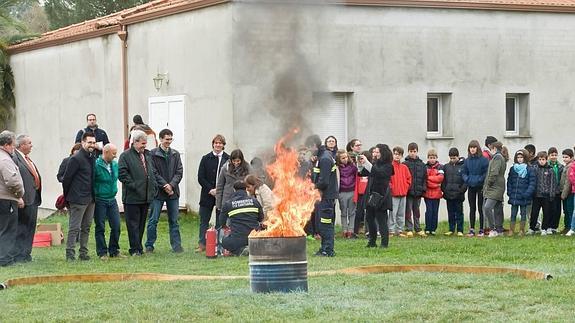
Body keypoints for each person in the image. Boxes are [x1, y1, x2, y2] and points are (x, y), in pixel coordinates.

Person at [145, 129, 184, 253]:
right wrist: (164, 185)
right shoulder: (152, 154)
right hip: (158, 193)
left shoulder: (175, 154)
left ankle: (176, 246)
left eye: (170, 139)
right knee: (153, 220)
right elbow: (153, 172)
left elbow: (179, 171)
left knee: (174, 221)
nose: (169, 142)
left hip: (173, 192)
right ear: (161, 139)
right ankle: (149, 245)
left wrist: (171, 185)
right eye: (167, 139)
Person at [118, 130, 156, 256]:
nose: (144, 146)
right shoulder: (125, 156)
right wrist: (135, 186)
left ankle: (139, 247)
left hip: (145, 197)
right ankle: (134, 249)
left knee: (141, 224)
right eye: (142, 143)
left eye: (145, 143)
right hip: (132, 197)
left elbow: (152, 171)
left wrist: (152, 187)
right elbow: (122, 175)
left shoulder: (147, 155)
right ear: (134, 142)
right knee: (133, 225)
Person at [62, 132, 97, 261]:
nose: (92, 145)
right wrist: (68, 197)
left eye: (93, 142)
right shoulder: (75, 159)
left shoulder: (92, 157)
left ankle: (83, 253)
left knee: (86, 227)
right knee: (74, 227)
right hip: (77, 199)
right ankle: (70, 253)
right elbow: (67, 179)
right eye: (89, 142)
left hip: (90, 198)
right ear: (83, 143)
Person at [196, 134, 229, 252]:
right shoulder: (205, 158)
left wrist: (219, 191)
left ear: (223, 145)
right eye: (216, 143)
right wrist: (210, 189)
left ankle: (219, 244)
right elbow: (201, 177)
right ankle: (202, 244)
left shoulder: (228, 159)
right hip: (207, 194)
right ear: (213, 144)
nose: (218, 145)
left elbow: (229, 179)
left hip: (222, 196)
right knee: (204, 220)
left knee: (220, 220)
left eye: (220, 143)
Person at [12, 135, 42, 263]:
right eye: (29, 143)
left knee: (30, 227)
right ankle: (19, 255)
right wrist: (18, 197)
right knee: (22, 227)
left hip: (33, 198)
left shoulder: (27, 159)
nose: (31, 145)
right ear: (21, 145)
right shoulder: (15, 158)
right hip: (24, 199)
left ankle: (26, 253)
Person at [359, 144, 393, 248]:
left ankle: (384, 243)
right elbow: (362, 173)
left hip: (381, 196)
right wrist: (360, 164)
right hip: (371, 195)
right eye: (375, 152)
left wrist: (367, 163)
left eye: (378, 152)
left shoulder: (388, 166)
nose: (375, 154)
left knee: (381, 220)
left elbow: (377, 173)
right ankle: (372, 241)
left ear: (383, 153)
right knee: (369, 218)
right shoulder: (375, 163)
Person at [93, 144, 124, 260]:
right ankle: (102, 252)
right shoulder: (96, 165)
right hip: (100, 199)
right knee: (100, 226)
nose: (115, 156)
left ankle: (114, 250)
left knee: (116, 226)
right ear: (105, 152)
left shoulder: (115, 165)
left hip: (112, 199)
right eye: (113, 153)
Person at [0, 131, 24, 267]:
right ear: (7, 145)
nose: (14, 148)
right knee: (8, 229)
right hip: (6, 199)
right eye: (13, 146)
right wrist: (19, 194)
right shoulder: (4, 159)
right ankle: (5, 259)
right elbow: (12, 181)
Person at [221, 181, 264, 256]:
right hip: (254, 238)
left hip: (237, 240)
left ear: (234, 190)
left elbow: (221, 222)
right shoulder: (254, 201)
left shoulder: (228, 204)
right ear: (246, 189)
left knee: (223, 240)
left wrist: (226, 227)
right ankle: (249, 248)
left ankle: (240, 250)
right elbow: (261, 218)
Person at [313, 136, 339, 257]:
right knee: (322, 224)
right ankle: (324, 247)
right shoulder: (324, 156)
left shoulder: (325, 159)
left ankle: (328, 250)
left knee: (325, 223)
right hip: (324, 196)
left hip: (327, 197)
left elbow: (324, 181)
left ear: (314, 146)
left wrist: (312, 187)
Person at [461, 140, 489, 237]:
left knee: (481, 208)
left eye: (474, 147)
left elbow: (486, 173)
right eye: (471, 147)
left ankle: (481, 229)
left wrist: (479, 180)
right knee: (472, 208)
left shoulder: (484, 160)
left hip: (480, 186)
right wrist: (467, 179)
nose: (472, 149)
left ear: (477, 148)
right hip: (471, 187)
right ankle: (472, 229)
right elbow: (463, 172)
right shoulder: (467, 160)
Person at [506, 149, 536, 236]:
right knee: (513, 213)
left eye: (521, 157)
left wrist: (527, 193)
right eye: (518, 157)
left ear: (525, 158)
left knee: (523, 213)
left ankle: (522, 230)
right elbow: (509, 182)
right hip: (514, 196)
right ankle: (511, 230)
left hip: (524, 196)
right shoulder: (513, 169)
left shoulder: (529, 169)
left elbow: (532, 183)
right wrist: (510, 192)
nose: (519, 159)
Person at [529, 151, 560, 236]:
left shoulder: (550, 169)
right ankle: (532, 228)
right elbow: (532, 181)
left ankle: (544, 228)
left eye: (543, 159)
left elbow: (553, 183)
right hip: (536, 195)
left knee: (546, 213)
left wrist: (551, 195)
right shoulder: (535, 169)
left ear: (546, 160)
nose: (541, 161)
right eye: (540, 159)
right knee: (534, 212)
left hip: (546, 196)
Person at [483, 141, 507, 237]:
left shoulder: (497, 157)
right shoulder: (500, 157)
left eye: (491, 149)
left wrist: (488, 184)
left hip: (495, 187)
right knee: (498, 208)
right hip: (498, 186)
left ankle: (493, 229)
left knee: (487, 207)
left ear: (494, 149)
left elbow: (494, 172)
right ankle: (499, 229)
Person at [403, 142, 427, 237]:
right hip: (409, 192)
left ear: (417, 152)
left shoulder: (422, 164)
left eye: (414, 151)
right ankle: (409, 228)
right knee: (408, 211)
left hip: (418, 191)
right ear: (408, 152)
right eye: (411, 151)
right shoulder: (405, 164)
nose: (413, 153)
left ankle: (417, 228)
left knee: (416, 211)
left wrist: (423, 188)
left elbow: (425, 178)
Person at [441, 148, 466, 237]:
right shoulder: (446, 167)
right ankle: (451, 229)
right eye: (451, 158)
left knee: (459, 212)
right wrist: (444, 190)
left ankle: (460, 230)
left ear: (458, 157)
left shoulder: (463, 167)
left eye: (454, 158)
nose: (452, 160)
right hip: (448, 194)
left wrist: (461, 191)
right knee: (450, 212)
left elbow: (465, 181)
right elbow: (443, 181)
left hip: (458, 195)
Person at [389, 146, 411, 237]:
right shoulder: (390, 166)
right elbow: (388, 180)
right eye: (395, 154)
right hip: (393, 194)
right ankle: (391, 230)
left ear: (402, 156)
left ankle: (400, 230)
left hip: (403, 194)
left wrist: (405, 187)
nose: (397, 156)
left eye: (399, 154)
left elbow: (409, 179)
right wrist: (392, 188)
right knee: (392, 213)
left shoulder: (404, 167)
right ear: (393, 155)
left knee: (401, 213)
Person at [336, 150, 357, 238]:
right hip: (342, 192)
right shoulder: (337, 168)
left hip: (351, 191)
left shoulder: (352, 166)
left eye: (346, 157)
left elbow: (357, 174)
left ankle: (351, 230)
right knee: (343, 212)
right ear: (339, 159)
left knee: (352, 212)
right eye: (343, 158)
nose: (345, 159)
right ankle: (344, 230)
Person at [423, 148, 444, 235]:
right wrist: (434, 183)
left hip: (437, 194)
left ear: (436, 158)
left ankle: (433, 229)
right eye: (430, 157)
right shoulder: (425, 167)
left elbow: (440, 178)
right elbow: (425, 180)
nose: (432, 159)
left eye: (434, 157)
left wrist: (430, 179)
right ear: (428, 158)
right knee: (429, 211)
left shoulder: (440, 167)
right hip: (427, 194)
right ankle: (427, 228)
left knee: (435, 211)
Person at [547, 147, 564, 234]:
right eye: (552, 155)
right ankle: (549, 226)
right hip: (549, 191)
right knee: (550, 209)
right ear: (549, 156)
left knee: (557, 209)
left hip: (558, 191)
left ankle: (555, 226)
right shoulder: (546, 166)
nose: (554, 157)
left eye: (555, 155)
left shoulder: (561, 166)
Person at [560, 149, 574, 234]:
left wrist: (563, 194)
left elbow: (568, 182)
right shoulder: (566, 165)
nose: (564, 159)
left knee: (569, 211)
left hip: (568, 193)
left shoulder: (570, 166)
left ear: (571, 157)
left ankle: (569, 227)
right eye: (563, 157)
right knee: (566, 211)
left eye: (567, 157)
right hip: (565, 192)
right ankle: (567, 227)